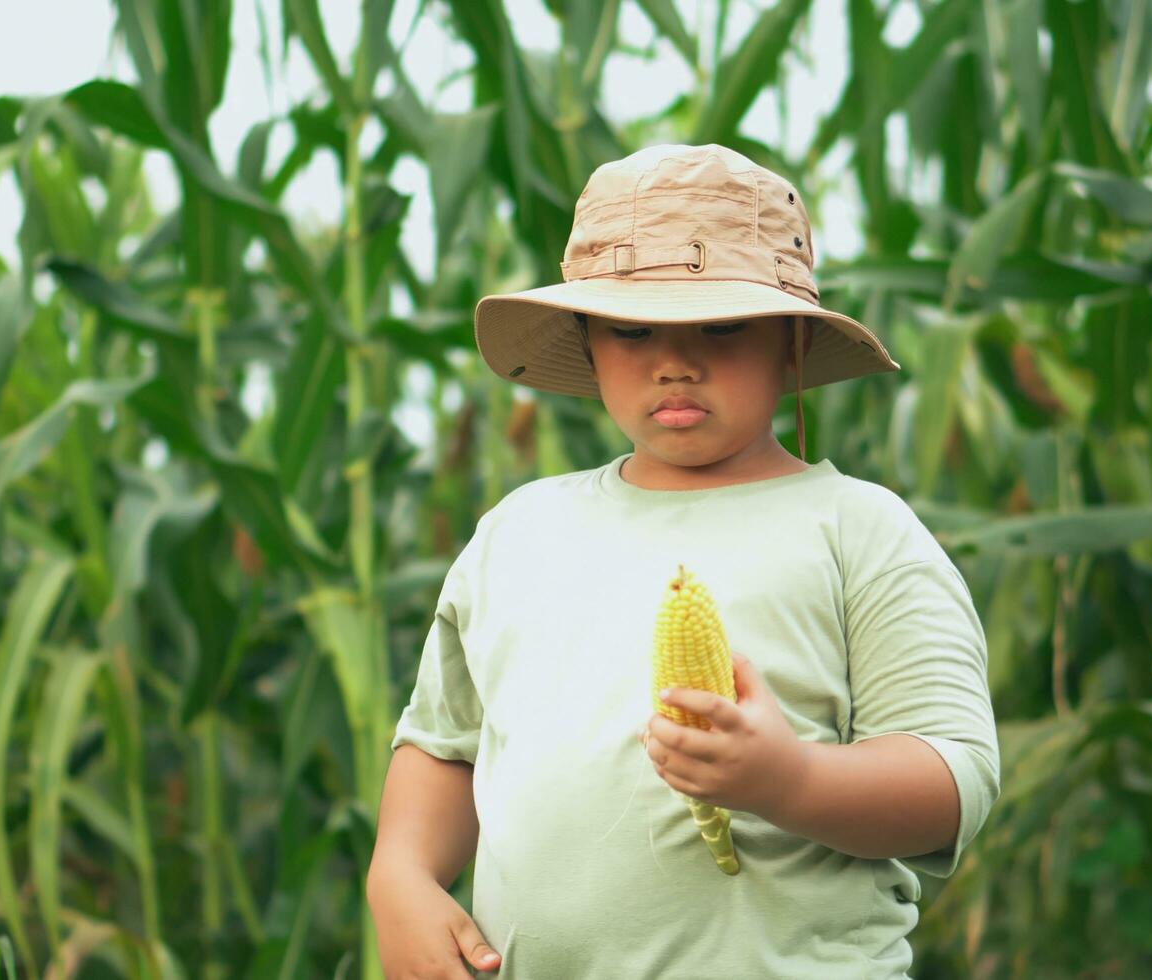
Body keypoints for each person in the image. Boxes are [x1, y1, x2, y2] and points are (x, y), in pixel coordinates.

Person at [367, 143, 1000, 979]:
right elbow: (447, 744)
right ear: (587, 342)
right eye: (633, 328)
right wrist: (400, 873)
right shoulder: (518, 533)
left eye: (722, 325)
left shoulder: (858, 531)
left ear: (791, 345)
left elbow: (954, 782)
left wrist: (788, 782)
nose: (676, 359)